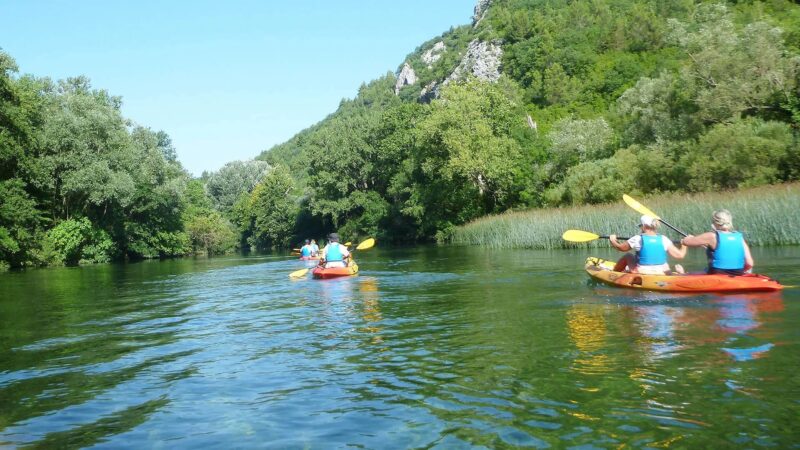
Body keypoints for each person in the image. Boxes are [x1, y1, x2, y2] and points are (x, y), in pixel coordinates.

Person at [680, 209, 754, 275]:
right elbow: (750, 263)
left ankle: (682, 274)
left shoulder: (712, 236)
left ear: (715, 223)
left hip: (716, 273)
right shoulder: (739, 238)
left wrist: (688, 239)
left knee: (691, 273)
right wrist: (742, 271)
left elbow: (686, 242)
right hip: (738, 273)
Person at [609, 215, 687, 274]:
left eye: (640, 226)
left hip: (643, 272)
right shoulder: (664, 239)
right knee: (663, 263)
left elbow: (621, 248)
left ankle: (614, 273)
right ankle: (679, 274)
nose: (640, 228)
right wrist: (684, 244)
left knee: (628, 256)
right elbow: (680, 255)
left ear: (644, 226)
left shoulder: (638, 238)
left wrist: (613, 240)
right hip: (662, 272)